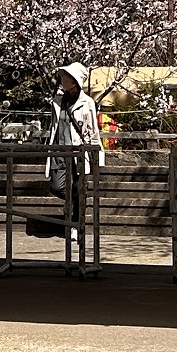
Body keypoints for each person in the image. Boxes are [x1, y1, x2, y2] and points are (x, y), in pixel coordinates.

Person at [46, 63, 104, 237]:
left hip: (78, 152)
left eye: (66, 77)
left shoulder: (87, 103)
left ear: (74, 81)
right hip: (59, 151)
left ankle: (75, 224)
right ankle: (73, 205)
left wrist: (97, 156)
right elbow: (54, 126)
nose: (62, 79)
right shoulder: (57, 101)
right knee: (57, 187)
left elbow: (93, 131)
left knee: (78, 187)